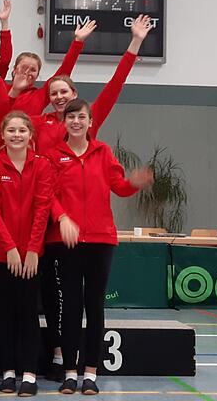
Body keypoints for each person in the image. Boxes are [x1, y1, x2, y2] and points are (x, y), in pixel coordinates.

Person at [47, 98, 153, 395]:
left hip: (100, 240)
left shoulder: (103, 152)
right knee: (70, 307)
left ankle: (90, 372)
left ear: (90, 122)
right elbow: (48, 194)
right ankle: (70, 371)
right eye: (71, 117)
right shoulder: (54, 155)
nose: (77, 122)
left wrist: (134, 182)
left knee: (94, 306)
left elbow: (118, 186)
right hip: (65, 241)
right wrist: (63, 217)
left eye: (82, 117)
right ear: (64, 122)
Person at [0, 111, 53, 396]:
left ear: (30, 135)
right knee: (3, 315)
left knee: (27, 315)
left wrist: (32, 249)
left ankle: (29, 373)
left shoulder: (43, 165)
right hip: (0, 254)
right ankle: (8, 371)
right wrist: (10, 247)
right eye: (11, 130)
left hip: (31, 256)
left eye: (21, 131)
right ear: (2, 134)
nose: (16, 135)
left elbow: (42, 208)